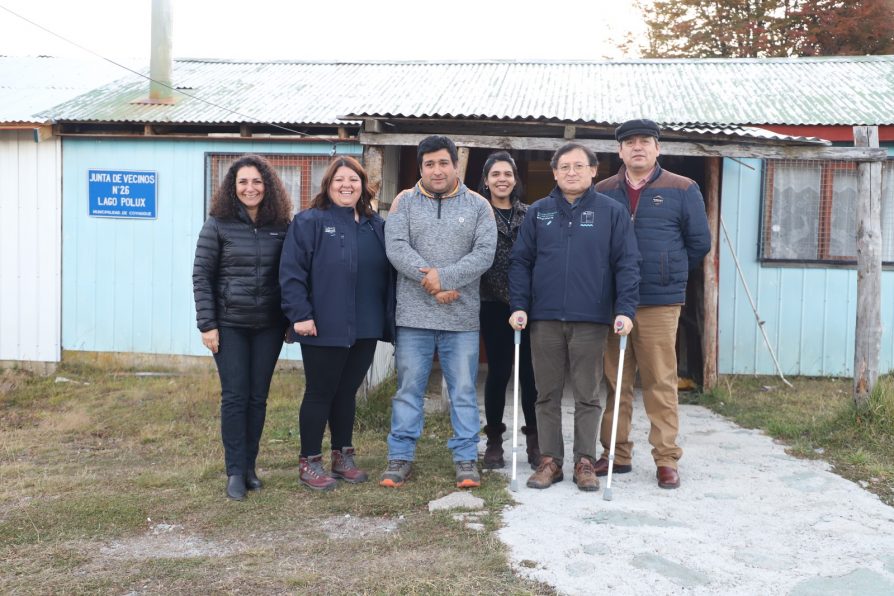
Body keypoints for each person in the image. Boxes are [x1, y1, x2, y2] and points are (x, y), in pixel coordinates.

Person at [509, 142, 640, 492]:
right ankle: (550, 460)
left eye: (579, 166)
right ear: (554, 173)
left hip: (591, 319)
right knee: (545, 393)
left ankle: (585, 461)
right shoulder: (539, 213)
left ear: (594, 170)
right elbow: (520, 262)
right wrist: (519, 305)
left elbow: (627, 264)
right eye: (564, 166)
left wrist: (624, 310)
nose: (571, 172)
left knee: (587, 393)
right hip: (544, 318)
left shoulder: (611, 212)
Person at [594, 119, 711, 489]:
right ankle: (616, 453)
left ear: (658, 148)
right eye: (630, 143)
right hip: (614, 303)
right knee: (616, 381)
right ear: (620, 151)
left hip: (659, 302)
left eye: (645, 141)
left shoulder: (682, 188)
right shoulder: (602, 191)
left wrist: (667, 273)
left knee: (661, 380)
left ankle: (666, 458)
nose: (638, 148)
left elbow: (699, 243)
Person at [380, 135, 497, 489]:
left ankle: (465, 459)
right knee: (409, 389)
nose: (437, 170)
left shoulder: (479, 206)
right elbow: (396, 247)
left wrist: (445, 277)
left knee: (462, 390)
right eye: (429, 164)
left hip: (461, 319)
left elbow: (484, 253)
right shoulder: (404, 202)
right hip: (413, 318)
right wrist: (432, 283)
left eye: (443, 162)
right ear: (420, 167)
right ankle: (400, 457)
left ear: (455, 164)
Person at [280, 156, 395, 491]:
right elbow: (291, 274)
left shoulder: (377, 226)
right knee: (320, 392)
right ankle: (310, 461)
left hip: (366, 324)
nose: (347, 185)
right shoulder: (309, 222)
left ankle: (342, 456)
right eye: (339, 180)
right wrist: (300, 315)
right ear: (328, 186)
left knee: (347, 393)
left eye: (354, 180)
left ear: (364, 185)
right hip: (323, 325)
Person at [193, 154, 293, 501]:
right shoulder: (217, 224)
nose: (250, 188)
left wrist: (291, 321)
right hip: (229, 325)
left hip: (268, 325)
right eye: (243, 182)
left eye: (257, 182)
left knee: (258, 397)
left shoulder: (282, 224)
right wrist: (207, 324)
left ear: (267, 186)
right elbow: (202, 276)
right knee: (235, 396)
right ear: (232, 188)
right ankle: (234, 472)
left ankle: (251, 467)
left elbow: (291, 275)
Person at [476, 151, 539, 469]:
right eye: (495, 174)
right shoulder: (477, 214)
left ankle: (534, 439)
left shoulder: (531, 215)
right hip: (491, 304)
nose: (502, 179)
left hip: (528, 307)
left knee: (530, 376)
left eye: (508, 174)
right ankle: (494, 441)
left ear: (516, 179)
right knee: (498, 373)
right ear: (486, 181)